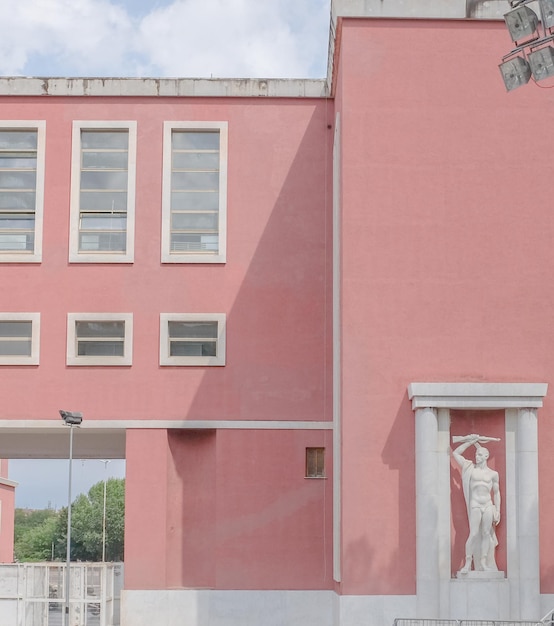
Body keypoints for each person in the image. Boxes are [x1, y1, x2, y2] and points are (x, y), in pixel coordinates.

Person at [451, 434, 501, 573]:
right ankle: (468, 563)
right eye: (476, 454)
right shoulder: (470, 469)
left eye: (479, 454)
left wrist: (498, 510)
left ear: (486, 456)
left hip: (488, 505)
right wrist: (470, 441)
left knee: (486, 533)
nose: (476, 457)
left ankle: (484, 563)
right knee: (473, 533)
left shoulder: (493, 474)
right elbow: (455, 453)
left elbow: (496, 493)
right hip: (475, 504)